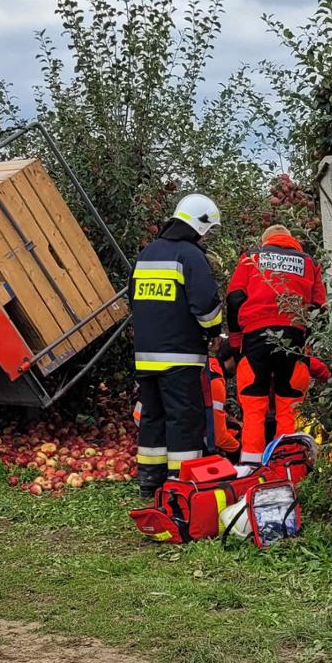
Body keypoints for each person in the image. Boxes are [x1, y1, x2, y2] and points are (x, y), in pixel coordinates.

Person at [130, 194, 224, 496]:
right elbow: (206, 307)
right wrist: (214, 332)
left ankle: (149, 480)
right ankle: (182, 483)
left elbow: (134, 300)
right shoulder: (190, 256)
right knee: (184, 418)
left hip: (145, 357)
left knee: (152, 417)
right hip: (180, 356)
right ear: (199, 224)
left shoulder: (147, 254)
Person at [225, 224, 327, 472]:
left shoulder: (251, 258)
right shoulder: (309, 263)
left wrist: (238, 342)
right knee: (289, 405)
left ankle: (250, 467)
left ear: (266, 241)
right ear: (291, 240)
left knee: (253, 402)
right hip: (294, 336)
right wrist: (305, 343)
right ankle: (287, 465)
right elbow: (319, 307)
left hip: (255, 336)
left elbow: (235, 298)